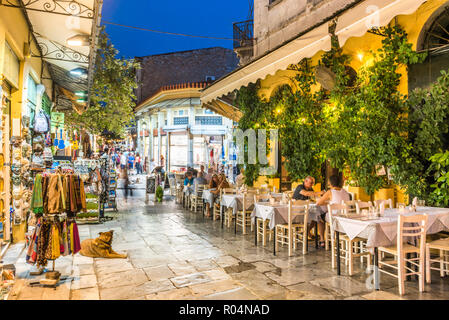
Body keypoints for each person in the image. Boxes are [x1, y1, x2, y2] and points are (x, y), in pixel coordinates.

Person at [314, 175, 351, 248]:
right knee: (323, 215)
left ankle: (322, 240)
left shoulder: (330, 192)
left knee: (319, 217)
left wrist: (329, 203)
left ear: (330, 183)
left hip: (334, 217)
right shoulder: (345, 192)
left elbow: (318, 203)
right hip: (345, 217)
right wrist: (331, 203)